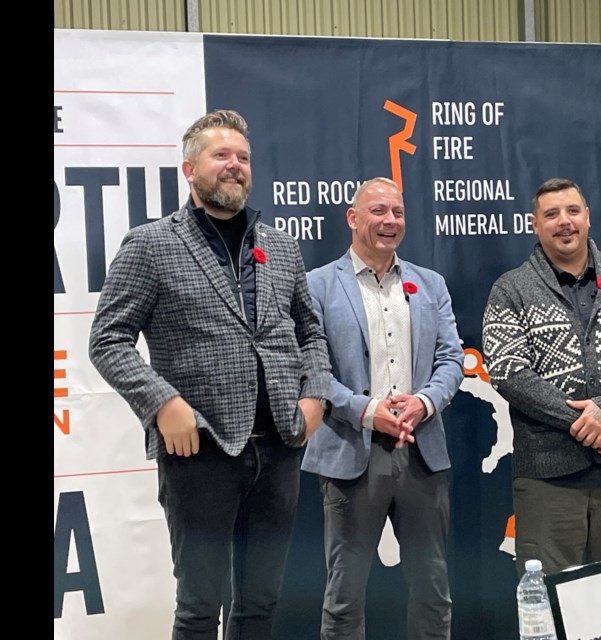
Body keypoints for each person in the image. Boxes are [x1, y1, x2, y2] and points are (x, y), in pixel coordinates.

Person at [88, 109, 332, 639]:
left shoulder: (282, 247)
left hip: (280, 452)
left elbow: (312, 334)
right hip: (199, 453)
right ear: (189, 169)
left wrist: (315, 397)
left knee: (259, 607)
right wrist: (162, 403)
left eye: (243, 157)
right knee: (200, 608)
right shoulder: (151, 245)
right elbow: (108, 340)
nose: (235, 166)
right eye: (221, 155)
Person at [481, 178, 601, 577]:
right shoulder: (510, 289)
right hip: (548, 480)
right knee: (550, 608)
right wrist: (588, 424)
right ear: (534, 224)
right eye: (551, 214)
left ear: (587, 217)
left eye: (572, 211)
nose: (564, 222)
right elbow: (507, 370)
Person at [301, 177, 464, 640]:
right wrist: (366, 410)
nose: (389, 221)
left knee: (434, 590)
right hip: (351, 454)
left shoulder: (429, 284)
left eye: (397, 212)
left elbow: (452, 358)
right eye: (378, 211)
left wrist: (425, 401)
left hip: (421, 452)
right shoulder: (317, 286)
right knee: (345, 596)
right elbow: (310, 368)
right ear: (353, 219)